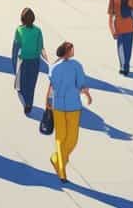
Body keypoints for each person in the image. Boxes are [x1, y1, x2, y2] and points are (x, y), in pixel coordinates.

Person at [47, 41, 92, 183]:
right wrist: (87, 95)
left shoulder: (54, 68)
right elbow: (81, 85)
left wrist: (48, 103)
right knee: (70, 138)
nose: (73, 51)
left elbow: (51, 87)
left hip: (60, 105)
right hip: (71, 105)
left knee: (64, 138)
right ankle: (62, 171)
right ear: (68, 52)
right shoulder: (76, 66)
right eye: (72, 49)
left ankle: (56, 159)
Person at [12, 8, 48, 115]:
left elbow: (15, 48)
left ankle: (26, 102)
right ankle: (29, 104)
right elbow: (40, 47)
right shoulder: (38, 31)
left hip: (23, 61)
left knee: (22, 84)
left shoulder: (19, 30)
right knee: (31, 84)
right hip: (35, 61)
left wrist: (14, 64)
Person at [108, 0, 133, 75]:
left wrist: (113, 31)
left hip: (119, 28)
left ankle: (122, 66)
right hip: (129, 27)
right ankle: (127, 66)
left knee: (120, 47)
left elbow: (110, 18)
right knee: (128, 48)